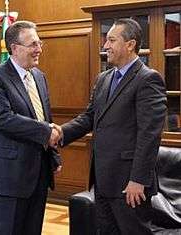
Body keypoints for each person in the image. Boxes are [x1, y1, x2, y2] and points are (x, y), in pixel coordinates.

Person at [52, 18, 167, 234]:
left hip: (129, 184)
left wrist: (138, 180)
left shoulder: (148, 79)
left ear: (130, 44)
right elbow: (90, 118)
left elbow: (149, 135)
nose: (105, 46)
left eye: (112, 40)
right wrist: (59, 132)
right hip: (103, 179)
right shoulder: (104, 78)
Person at [0, 20, 61, 235]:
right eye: (33, 44)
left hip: (38, 177)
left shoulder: (39, 76)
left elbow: (45, 116)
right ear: (14, 48)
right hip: (7, 180)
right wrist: (47, 132)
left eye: (39, 43)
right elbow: (3, 118)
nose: (39, 50)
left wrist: (53, 157)